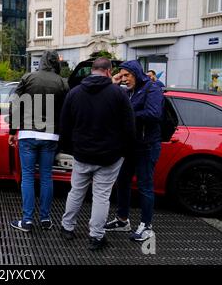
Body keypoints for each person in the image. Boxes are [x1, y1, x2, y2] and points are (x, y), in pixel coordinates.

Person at [59, 58, 135, 251]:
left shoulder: (74, 93)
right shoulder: (118, 94)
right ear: (109, 72)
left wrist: (70, 149)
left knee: (76, 191)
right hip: (109, 156)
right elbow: (129, 126)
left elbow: (65, 124)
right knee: (101, 196)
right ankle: (96, 236)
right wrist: (125, 152)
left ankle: (67, 228)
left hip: (82, 153)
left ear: (92, 71)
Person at [8, 50, 69, 232]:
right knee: (46, 177)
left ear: (41, 62)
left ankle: (27, 221)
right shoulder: (62, 82)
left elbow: (15, 104)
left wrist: (13, 130)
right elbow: (67, 110)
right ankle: (45, 219)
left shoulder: (28, 78)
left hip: (27, 133)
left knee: (27, 176)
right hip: (51, 135)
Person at [105, 60, 164, 242]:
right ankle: (123, 220)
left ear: (136, 73)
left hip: (146, 145)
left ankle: (146, 226)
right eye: (121, 75)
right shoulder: (128, 90)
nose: (124, 79)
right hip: (130, 145)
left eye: (126, 75)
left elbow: (154, 114)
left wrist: (128, 114)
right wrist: (112, 83)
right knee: (122, 181)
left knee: (145, 186)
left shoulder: (152, 88)